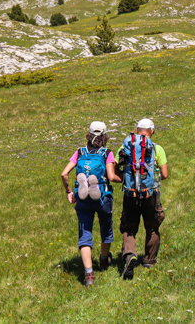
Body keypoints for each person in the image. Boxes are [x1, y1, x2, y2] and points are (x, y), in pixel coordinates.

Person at [60, 121, 118, 286]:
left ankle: (89, 274)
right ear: (105, 135)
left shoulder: (79, 152)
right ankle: (103, 260)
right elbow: (112, 176)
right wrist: (125, 180)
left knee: (85, 234)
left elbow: (64, 174)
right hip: (103, 197)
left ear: (89, 134)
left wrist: (69, 192)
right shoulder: (107, 153)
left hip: (82, 199)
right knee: (106, 228)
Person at [115, 118, 169, 280]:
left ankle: (130, 255)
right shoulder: (157, 149)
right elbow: (165, 175)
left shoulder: (125, 147)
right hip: (150, 193)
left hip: (130, 193)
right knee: (152, 226)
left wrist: (126, 179)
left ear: (137, 129)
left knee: (129, 227)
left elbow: (114, 169)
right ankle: (149, 260)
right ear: (152, 131)